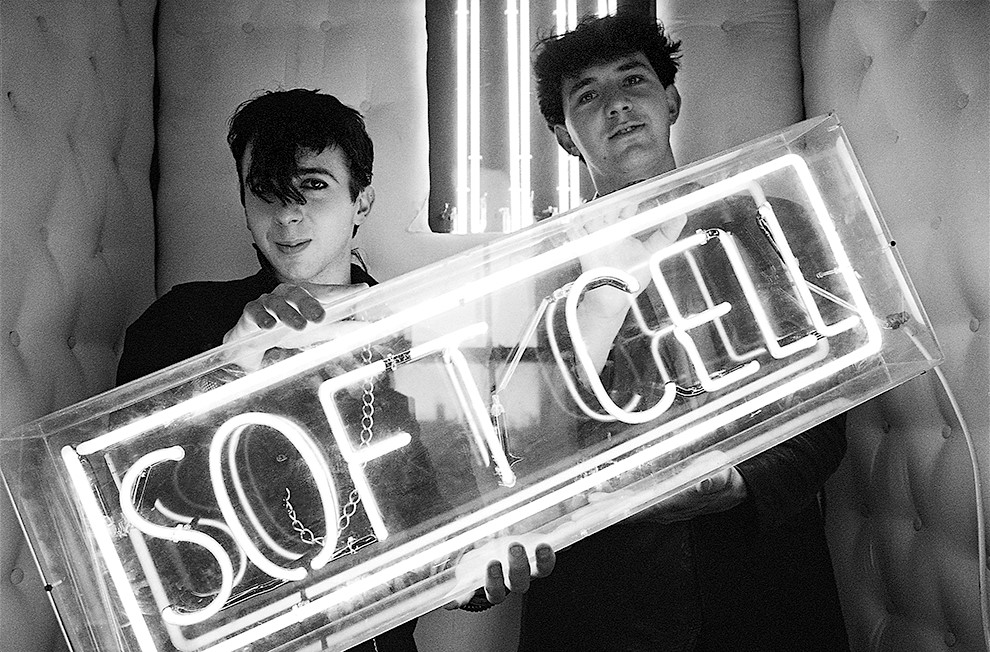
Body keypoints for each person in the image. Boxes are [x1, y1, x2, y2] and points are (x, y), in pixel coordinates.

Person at [116, 88, 554, 652]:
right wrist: (229, 368)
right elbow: (126, 508)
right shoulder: (180, 324)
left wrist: (472, 576)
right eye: (264, 190)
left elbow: (452, 524)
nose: (287, 213)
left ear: (362, 201)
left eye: (313, 185)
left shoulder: (423, 339)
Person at [517, 14, 850, 652]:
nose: (616, 105)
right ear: (564, 136)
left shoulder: (771, 223)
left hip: (762, 586)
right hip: (604, 598)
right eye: (587, 95)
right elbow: (526, 437)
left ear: (670, 100)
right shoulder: (536, 273)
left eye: (633, 81)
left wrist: (745, 480)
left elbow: (836, 395)